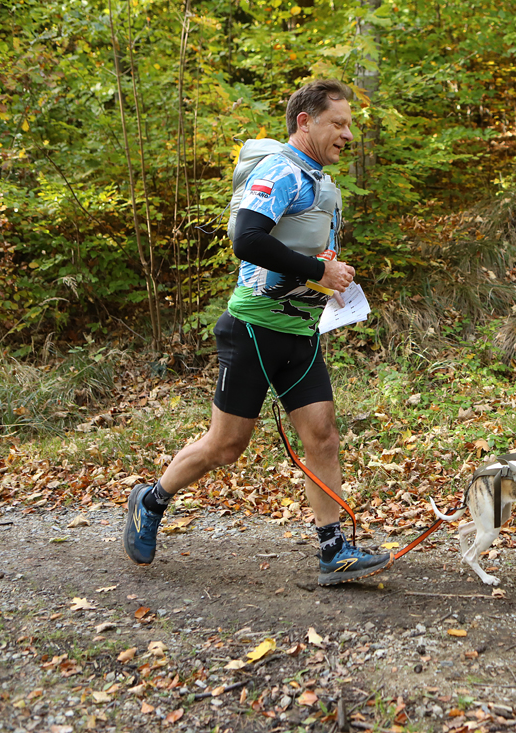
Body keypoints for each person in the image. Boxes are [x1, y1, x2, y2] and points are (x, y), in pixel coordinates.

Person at [123, 79, 392, 585]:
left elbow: (294, 252)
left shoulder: (318, 181)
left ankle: (333, 551)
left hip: (301, 332)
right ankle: (151, 500)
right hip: (253, 330)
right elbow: (245, 238)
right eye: (338, 123)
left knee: (323, 437)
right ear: (305, 122)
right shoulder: (280, 170)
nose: (348, 134)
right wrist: (317, 270)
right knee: (226, 447)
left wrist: (327, 274)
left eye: (350, 125)